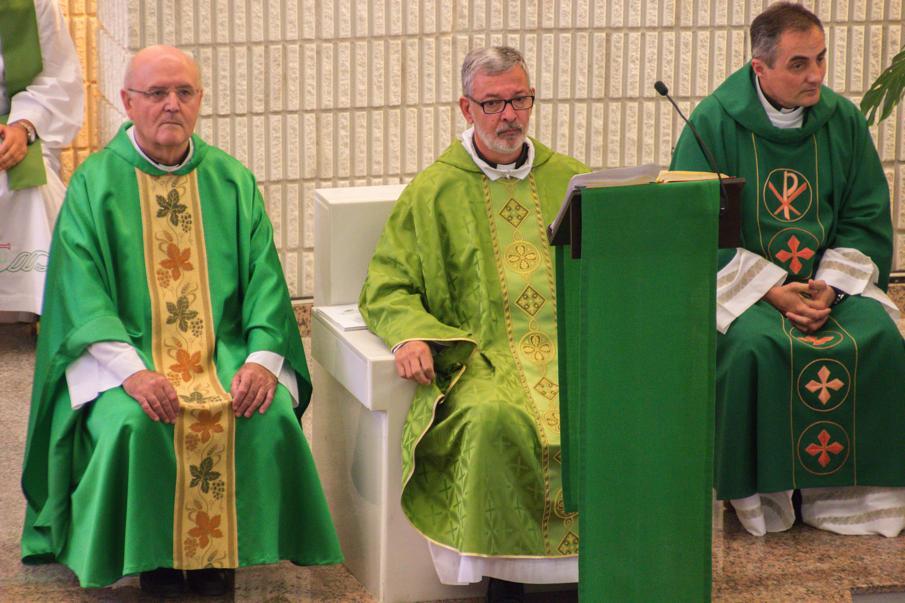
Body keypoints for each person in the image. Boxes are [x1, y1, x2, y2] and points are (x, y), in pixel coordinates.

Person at [20, 46, 342, 595]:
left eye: (184, 93)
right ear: (127, 101)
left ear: (199, 101)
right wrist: (133, 373)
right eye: (156, 93)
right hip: (127, 357)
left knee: (269, 416)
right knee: (134, 424)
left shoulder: (231, 181)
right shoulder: (95, 184)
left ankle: (227, 554)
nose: (171, 105)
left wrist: (264, 361)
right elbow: (82, 296)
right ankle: (154, 560)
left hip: (223, 353)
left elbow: (265, 278)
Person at [359, 46, 586, 602]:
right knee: (491, 420)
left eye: (519, 99)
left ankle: (601, 572)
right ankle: (505, 583)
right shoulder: (435, 190)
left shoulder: (574, 181)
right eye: (493, 103)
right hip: (483, 356)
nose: (509, 115)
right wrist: (412, 334)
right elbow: (386, 286)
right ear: (466, 107)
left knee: (614, 407)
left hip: (573, 350)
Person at [671, 2, 905, 537]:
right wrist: (772, 289)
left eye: (821, 59)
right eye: (799, 64)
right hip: (746, 293)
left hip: (831, 287)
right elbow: (691, 225)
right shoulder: (713, 122)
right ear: (760, 67)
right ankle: (762, 504)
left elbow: (866, 213)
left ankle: (856, 503)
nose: (816, 75)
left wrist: (831, 287)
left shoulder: (842, 120)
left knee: (882, 341)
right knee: (755, 348)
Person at [0, 0, 83, 322]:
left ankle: (38, 311)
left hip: (16, 125)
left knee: (30, 187)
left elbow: (57, 78)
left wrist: (23, 127)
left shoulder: (33, 4)